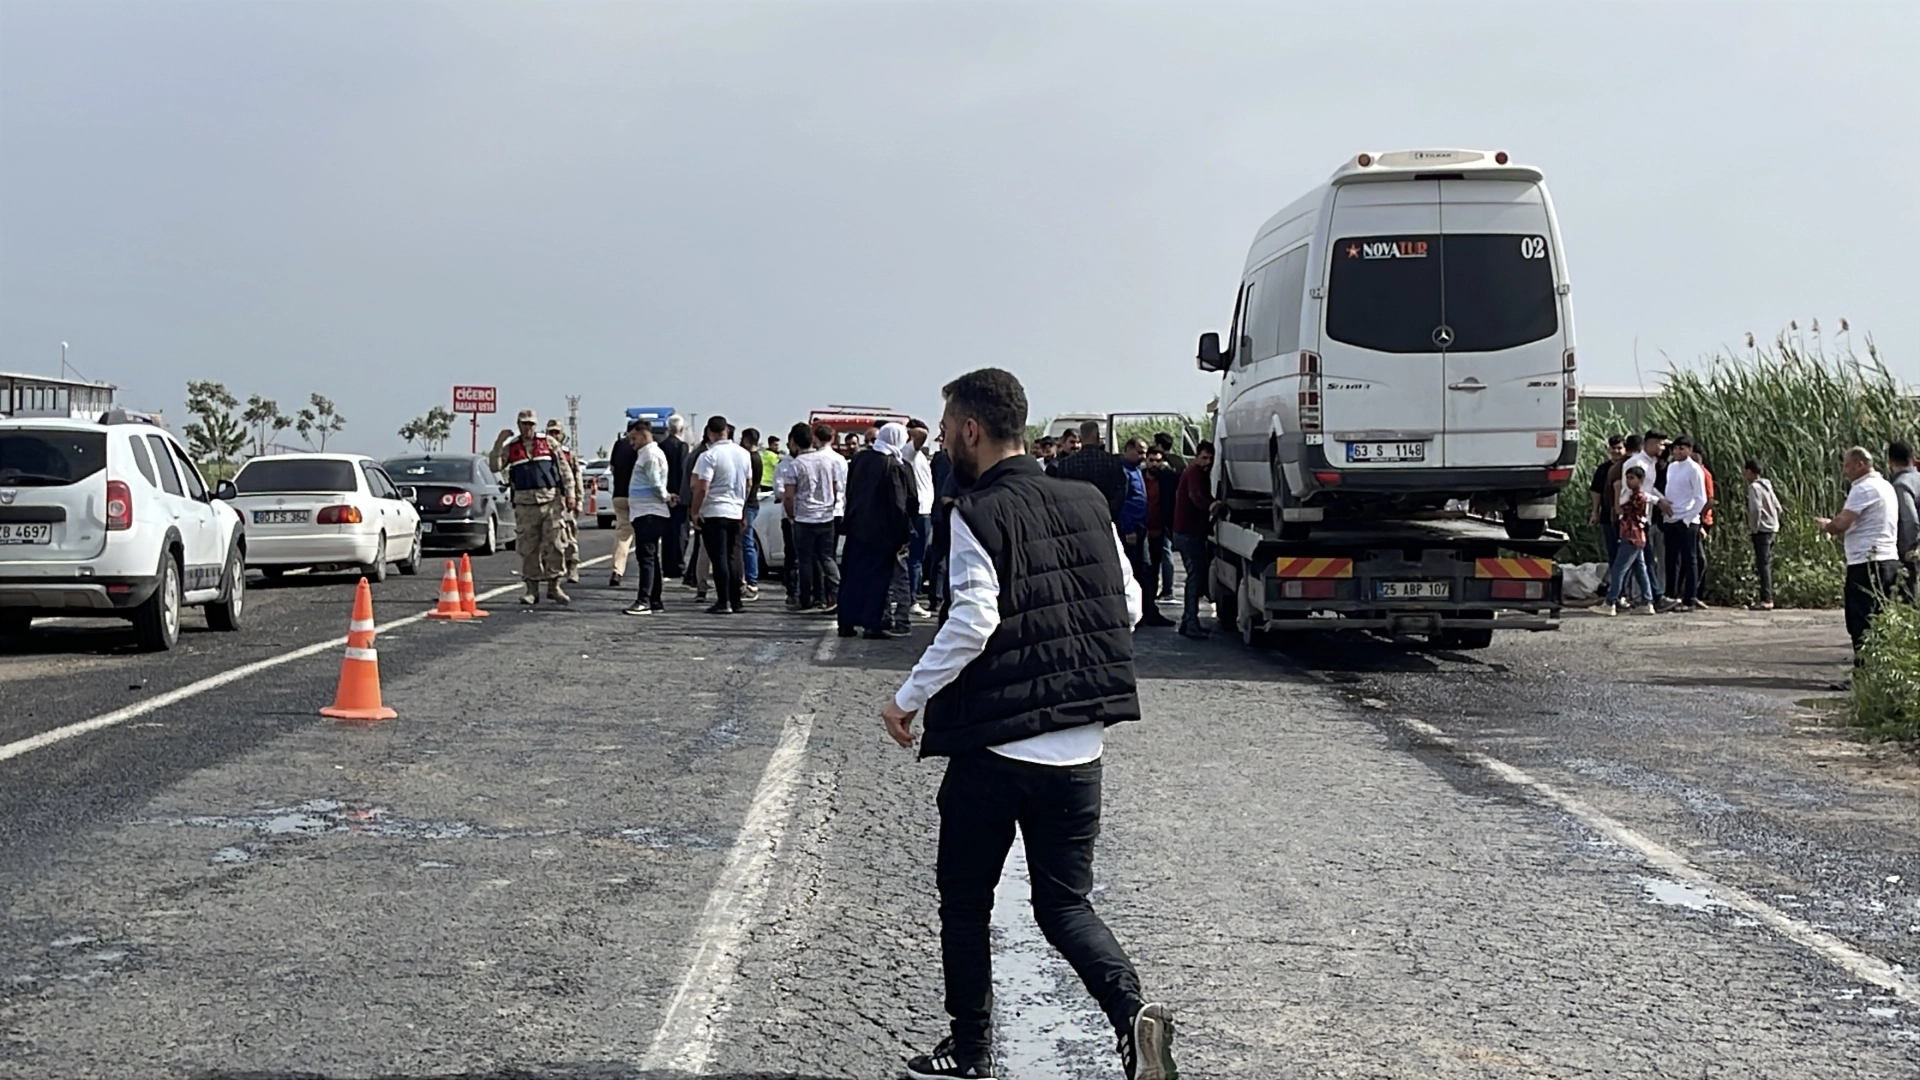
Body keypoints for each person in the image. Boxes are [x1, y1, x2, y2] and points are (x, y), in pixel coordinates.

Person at [880, 367, 1178, 1080]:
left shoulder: (975, 511)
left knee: (965, 903)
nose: (944, 441)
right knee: (1066, 905)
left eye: (947, 429)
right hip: (1079, 748)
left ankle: (972, 1052)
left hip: (995, 749)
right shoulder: (1089, 501)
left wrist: (907, 697)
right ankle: (1130, 1013)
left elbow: (973, 620)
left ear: (971, 430)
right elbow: (1130, 604)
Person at [1817, 447, 1900, 662]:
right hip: (1888, 559)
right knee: (1881, 617)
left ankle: (1864, 669)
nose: (1845, 471)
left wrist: (1827, 525)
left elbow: (1842, 523)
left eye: (1847, 465)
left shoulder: (1864, 488)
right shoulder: (1886, 486)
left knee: (1860, 619)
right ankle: (1881, 666)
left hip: (1866, 562)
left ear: (1860, 464)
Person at [489, 409, 577, 605]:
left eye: (531, 424)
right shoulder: (512, 447)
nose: (527, 427)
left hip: (550, 501)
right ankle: (532, 589)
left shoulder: (548, 443)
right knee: (528, 548)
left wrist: (570, 493)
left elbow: (564, 469)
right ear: (518, 425)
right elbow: (495, 466)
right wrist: (498, 443)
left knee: (555, 544)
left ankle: (554, 586)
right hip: (525, 505)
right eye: (524, 424)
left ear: (536, 425)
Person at [838, 422, 915, 639]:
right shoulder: (893, 465)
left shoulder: (860, 459)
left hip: (856, 527)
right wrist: (903, 535)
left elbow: (850, 490)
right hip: (881, 533)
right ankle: (872, 624)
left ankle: (846, 623)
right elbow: (899, 505)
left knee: (852, 576)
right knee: (877, 580)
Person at [690, 416, 755, 615]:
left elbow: (702, 487)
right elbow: (749, 484)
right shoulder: (743, 454)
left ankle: (723, 600)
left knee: (719, 558)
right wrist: (742, 508)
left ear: (710, 433)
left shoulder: (708, 456)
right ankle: (736, 600)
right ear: (726, 430)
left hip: (714, 511)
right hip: (736, 510)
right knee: (734, 556)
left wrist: (695, 511)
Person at [787, 422, 845, 613]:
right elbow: (836, 488)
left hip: (804, 517)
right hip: (826, 516)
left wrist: (791, 515)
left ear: (795, 442)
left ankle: (806, 599)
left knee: (804, 560)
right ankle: (837, 592)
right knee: (827, 558)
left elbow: (788, 495)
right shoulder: (828, 461)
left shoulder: (796, 464)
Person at [1118, 438, 1172, 627]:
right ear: (1128, 449)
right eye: (1140, 452)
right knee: (1138, 571)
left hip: (1143, 529)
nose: (1143, 457)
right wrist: (1128, 529)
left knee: (1147, 571)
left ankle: (1148, 610)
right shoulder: (1123, 472)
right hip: (1132, 531)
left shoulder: (1136, 471)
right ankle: (1140, 612)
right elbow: (1123, 503)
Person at [622, 420, 674, 615]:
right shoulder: (646, 454)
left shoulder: (650, 455)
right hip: (645, 511)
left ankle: (643, 600)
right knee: (651, 558)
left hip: (649, 512)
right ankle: (655, 600)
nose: (631, 443)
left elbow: (655, 483)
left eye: (634, 438)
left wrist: (666, 498)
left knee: (646, 558)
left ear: (644, 435)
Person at [1172, 441, 1218, 638]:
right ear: (1197, 457)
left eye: (1210, 458)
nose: (1207, 462)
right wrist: (1211, 506)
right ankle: (1190, 623)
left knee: (1196, 578)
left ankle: (1188, 622)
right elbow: (1195, 496)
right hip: (1188, 534)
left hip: (1189, 533)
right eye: (1204, 458)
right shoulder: (1194, 473)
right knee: (1195, 578)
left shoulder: (1196, 473)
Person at [1601, 465, 1658, 617]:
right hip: (1635, 537)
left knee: (1619, 568)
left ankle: (1611, 601)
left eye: (1632, 478)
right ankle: (1647, 601)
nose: (1628, 481)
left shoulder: (1638, 498)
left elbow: (1619, 509)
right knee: (1640, 569)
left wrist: (1617, 491)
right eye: (1627, 478)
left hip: (1632, 536)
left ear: (1641, 480)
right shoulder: (1634, 496)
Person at [1660, 436, 1708, 611]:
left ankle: (1690, 598)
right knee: (1671, 560)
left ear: (1689, 450)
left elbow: (1701, 498)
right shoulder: (1672, 467)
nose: (1678, 452)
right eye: (1675, 448)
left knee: (1690, 559)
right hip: (1671, 518)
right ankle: (1670, 595)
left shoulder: (1694, 469)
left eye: (1682, 448)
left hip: (1687, 520)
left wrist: (1688, 518)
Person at [1050, 420, 1128, 523]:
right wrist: (1110, 513)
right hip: (1105, 517)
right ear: (1098, 436)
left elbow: (1060, 494)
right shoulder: (1113, 462)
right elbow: (1121, 492)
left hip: (1076, 519)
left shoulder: (1066, 464)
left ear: (1081, 438)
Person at [546, 419, 585, 584]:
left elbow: (576, 477)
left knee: (568, 536)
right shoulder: (542, 452)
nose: (554, 436)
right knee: (549, 538)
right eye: (551, 432)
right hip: (548, 500)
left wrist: (578, 500)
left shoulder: (568, 454)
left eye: (557, 432)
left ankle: (572, 566)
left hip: (565, 500)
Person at [775, 424, 808, 609]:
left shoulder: (810, 461)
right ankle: (792, 591)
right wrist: (792, 493)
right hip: (789, 515)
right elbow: (779, 491)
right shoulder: (784, 465)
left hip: (807, 515)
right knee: (791, 556)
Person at [906, 419, 937, 619]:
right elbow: (922, 434)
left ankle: (909, 596)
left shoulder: (916, 454)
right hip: (920, 512)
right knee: (915, 559)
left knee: (916, 558)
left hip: (924, 511)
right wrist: (910, 432)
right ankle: (912, 600)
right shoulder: (908, 450)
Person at [1744, 459, 1782, 611]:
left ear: (1749, 472)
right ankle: (1766, 596)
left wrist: (1754, 527)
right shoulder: (1767, 485)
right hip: (1773, 528)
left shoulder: (1754, 487)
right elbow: (1778, 507)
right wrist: (1775, 520)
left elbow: (1755, 509)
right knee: (1766, 562)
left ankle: (1766, 599)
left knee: (1763, 565)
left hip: (1762, 530)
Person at [607, 420, 641, 588]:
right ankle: (646, 572)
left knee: (622, 534)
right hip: (637, 496)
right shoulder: (641, 448)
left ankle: (617, 570)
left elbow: (613, 468)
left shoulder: (619, 445)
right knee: (642, 534)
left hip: (619, 494)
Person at [659, 415, 691, 579]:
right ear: (681, 429)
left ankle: (666, 565)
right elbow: (683, 471)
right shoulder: (682, 447)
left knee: (667, 532)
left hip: (664, 495)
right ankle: (678, 565)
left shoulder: (661, 446)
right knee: (680, 532)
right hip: (678, 495)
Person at [1146, 446, 1179, 601]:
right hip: (1143, 529)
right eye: (1151, 460)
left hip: (1160, 529)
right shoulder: (1139, 477)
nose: (1154, 464)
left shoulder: (1167, 479)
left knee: (1158, 563)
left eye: (1158, 461)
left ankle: (1162, 592)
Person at [1889, 440, 1920, 602]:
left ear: (1891, 462)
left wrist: (1908, 549)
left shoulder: (1901, 485)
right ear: (1912, 458)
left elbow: (1910, 520)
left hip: (1913, 547)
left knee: (1910, 595)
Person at [1589, 434, 1627, 567]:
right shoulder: (1603, 469)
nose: (1616, 451)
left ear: (1625, 449)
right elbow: (1596, 491)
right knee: (1612, 551)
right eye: (1613, 448)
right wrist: (1595, 512)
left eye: (1619, 448)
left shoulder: (1629, 467)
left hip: (1626, 516)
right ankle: (1614, 577)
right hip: (1607, 515)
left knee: (1627, 552)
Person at [739, 427, 766, 602]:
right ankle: (749, 579)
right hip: (753, 503)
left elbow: (748, 484)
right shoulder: (758, 457)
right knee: (747, 542)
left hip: (747, 504)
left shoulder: (750, 458)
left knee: (747, 542)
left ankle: (751, 582)